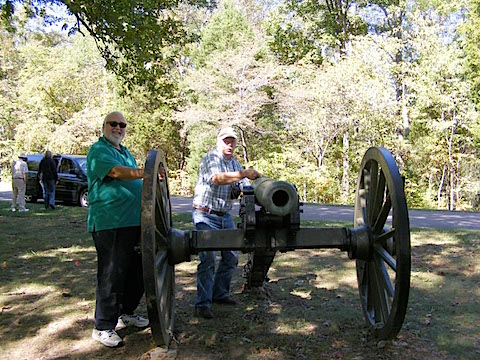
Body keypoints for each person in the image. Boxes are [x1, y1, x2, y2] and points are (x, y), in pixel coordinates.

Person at [87, 111, 149, 348]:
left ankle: (126, 312)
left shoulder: (126, 153)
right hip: (109, 222)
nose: (119, 128)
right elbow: (115, 172)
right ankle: (102, 326)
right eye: (114, 124)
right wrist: (147, 172)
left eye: (122, 125)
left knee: (138, 270)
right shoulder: (98, 151)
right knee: (111, 274)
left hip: (133, 222)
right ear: (104, 126)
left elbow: (135, 180)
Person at [193, 126, 260, 319]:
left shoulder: (235, 164)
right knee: (207, 260)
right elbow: (217, 179)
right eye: (226, 141)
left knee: (231, 257)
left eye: (232, 141)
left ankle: (219, 294)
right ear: (219, 141)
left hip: (224, 216)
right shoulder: (211, 159)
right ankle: (202, 304)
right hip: (205, 215)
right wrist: (244, 173)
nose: (229, 144)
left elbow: (246, 187)